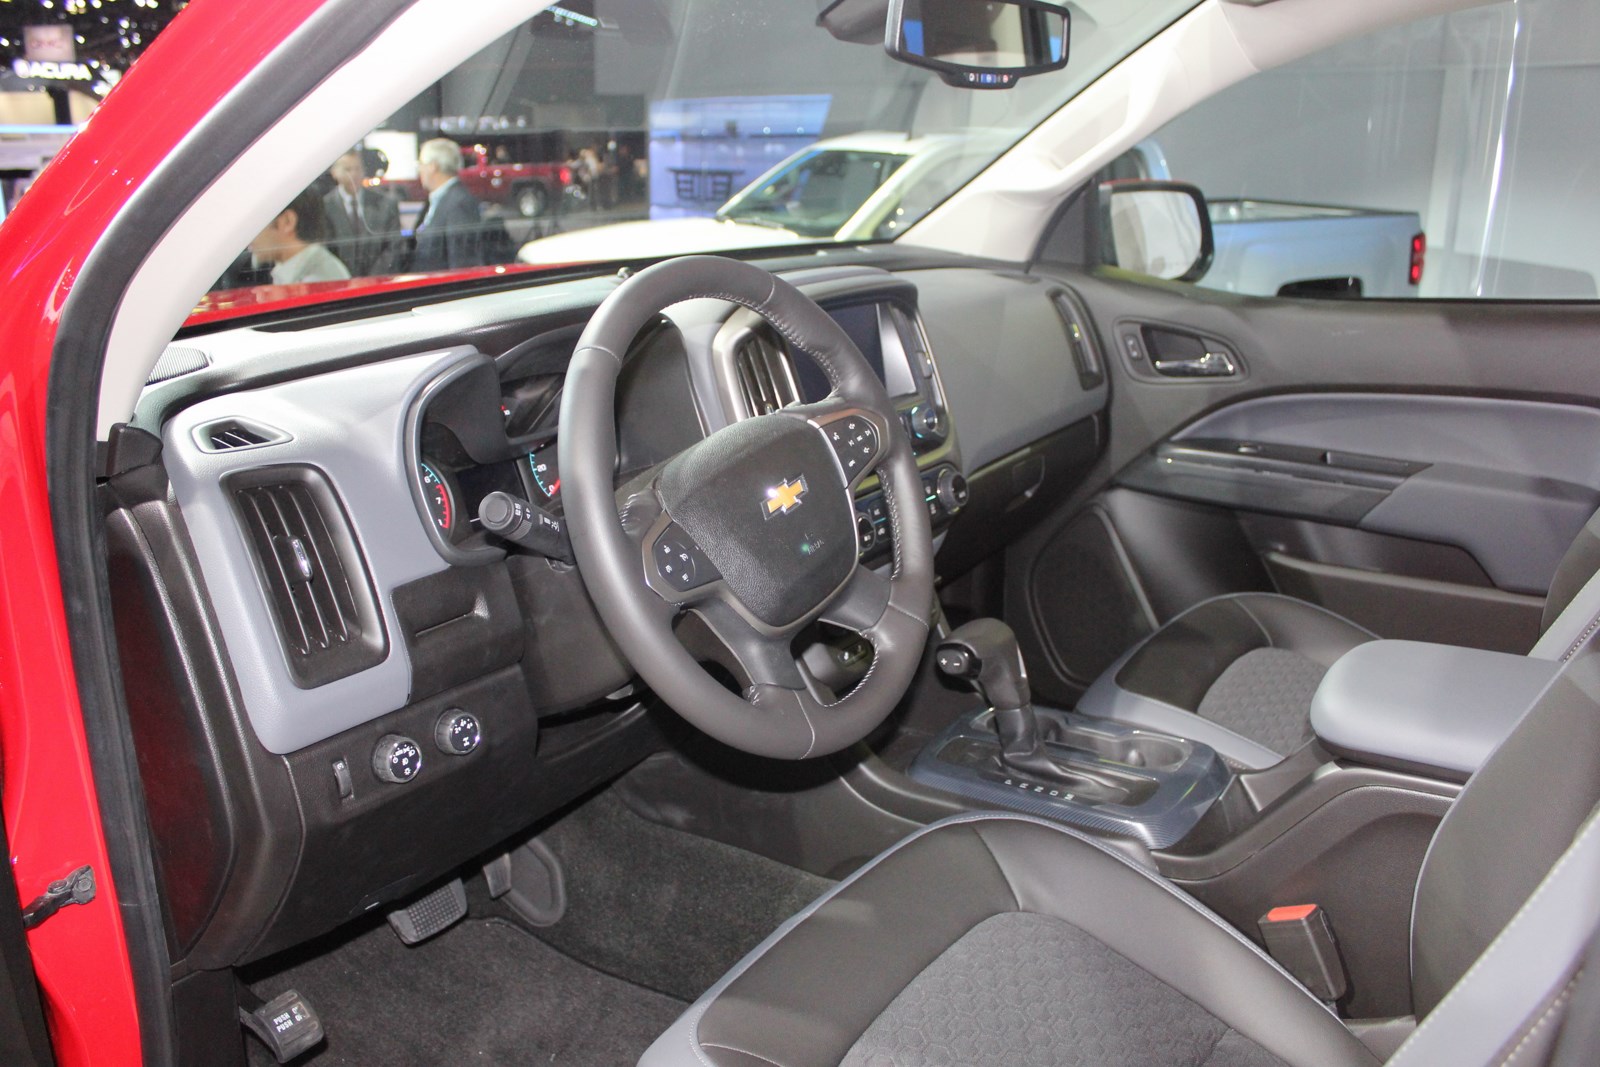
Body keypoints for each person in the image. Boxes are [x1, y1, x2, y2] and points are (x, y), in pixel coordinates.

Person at [410, 138, 486, 272]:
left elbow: (462, 263)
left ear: (432, 166)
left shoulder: (459, 203)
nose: (419, 170)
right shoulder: (437, 199)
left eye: (420, 164)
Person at [322, 149, 402, 276]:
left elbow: (394, 247)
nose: (354, 174)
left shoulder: (385, 204)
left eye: (357, 168)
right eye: (348, 169)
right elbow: (324, 252)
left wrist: (371, 280)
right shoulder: (324, 208)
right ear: (334, 173)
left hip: (377, 283)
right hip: (339, 283)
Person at [247, 187, 350, 285]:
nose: (247, 236)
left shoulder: (317, 281)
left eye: (255, 222)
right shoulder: (301, 272)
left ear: (287, 222)